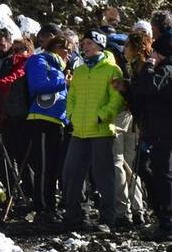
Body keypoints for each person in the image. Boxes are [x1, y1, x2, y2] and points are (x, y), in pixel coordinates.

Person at [129, 31, 172, 240]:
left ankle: (169, 225)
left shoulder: (165, 71)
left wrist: (148, 66)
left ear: (160, 53)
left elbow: (149, 87)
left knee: (164, 178)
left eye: (154, 52)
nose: (151, 55)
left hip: (164, 132)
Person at [61, 31, 124, 231]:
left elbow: (117, 99)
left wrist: (101, 116)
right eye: (84, 43)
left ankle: (107, 218)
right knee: (71, 173)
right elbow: (71, 96)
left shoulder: (112, 70)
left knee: (103, 177)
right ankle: (75, 216)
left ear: (99, 45)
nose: (84, 46)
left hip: (101, 131)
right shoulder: (79, 71)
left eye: (89, 43)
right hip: (79, 131)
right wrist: (71, 115)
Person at [24, 35, 69, 224]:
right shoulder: (39, 60)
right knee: (43, 166)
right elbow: (37, 86)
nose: (68, 53)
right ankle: (42, 207)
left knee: (54, 166)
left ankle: (50, 206)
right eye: (65, 48)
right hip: (41, 118)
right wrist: (63, 81)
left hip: (59, 120)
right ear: (55, 47)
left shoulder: (61, 67)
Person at [0, 31, 31, 198]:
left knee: (22, 157)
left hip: (18, 115)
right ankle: (11, 194)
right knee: (2, 158)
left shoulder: (20, 61)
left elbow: (13, 79)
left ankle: (29, 194)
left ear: (10, 44)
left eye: (2, 45)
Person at [113, 29, 151, 227]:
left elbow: (141, 95)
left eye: (128, 46)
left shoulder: (142, 68)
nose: (124, 49)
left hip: (136, 121)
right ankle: (138, 208)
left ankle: (127, 209)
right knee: (130, 164)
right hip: (136, 120)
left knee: (125, 164)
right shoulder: (138, 67)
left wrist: (127, 89)